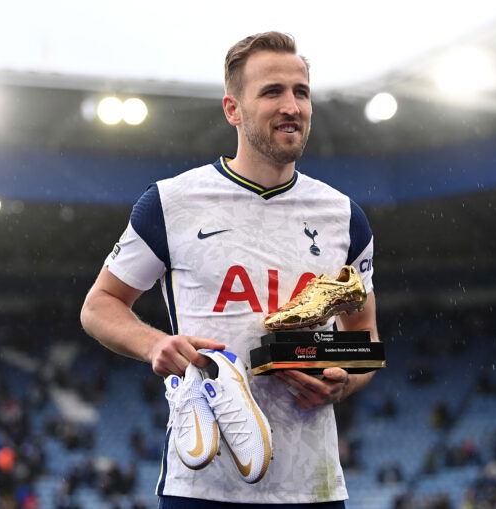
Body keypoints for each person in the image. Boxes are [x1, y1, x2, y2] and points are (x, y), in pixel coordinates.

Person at [81, 31, 379, 507]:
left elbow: (363, 337)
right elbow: (99, 304)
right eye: (272, 92)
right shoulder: (170, 203)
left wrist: (345, 379)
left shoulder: (345, 217)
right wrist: (156, 344)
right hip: (201, 485)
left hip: (313, 489)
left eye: (301, 92)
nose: (292, 106)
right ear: (232, 109)